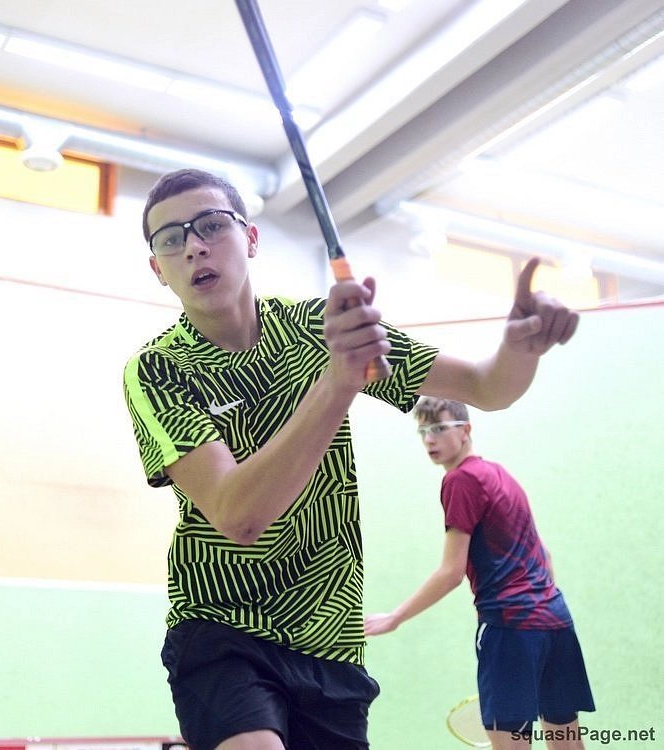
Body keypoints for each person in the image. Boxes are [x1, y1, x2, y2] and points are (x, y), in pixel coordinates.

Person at [122, 167, 579, 750]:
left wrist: (520, 346)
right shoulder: (157, 369)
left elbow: (487, 387)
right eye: (171, 239)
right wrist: (338, 381)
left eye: (211, 225)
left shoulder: (322, 328)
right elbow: (239, 516)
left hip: (332, 644)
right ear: (158, 269)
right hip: (222, 628)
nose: (193, 246)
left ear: (251, 238)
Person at [364, 397, 595, 750]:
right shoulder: (501, 475)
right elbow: (545, 556)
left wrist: (395, 617)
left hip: (510, 628)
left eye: (439, 428)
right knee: (567, 741)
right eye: (423, 431)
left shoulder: (460, 480)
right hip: (556, 623)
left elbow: (451, 572)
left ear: (466, 430)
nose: (429, 439)